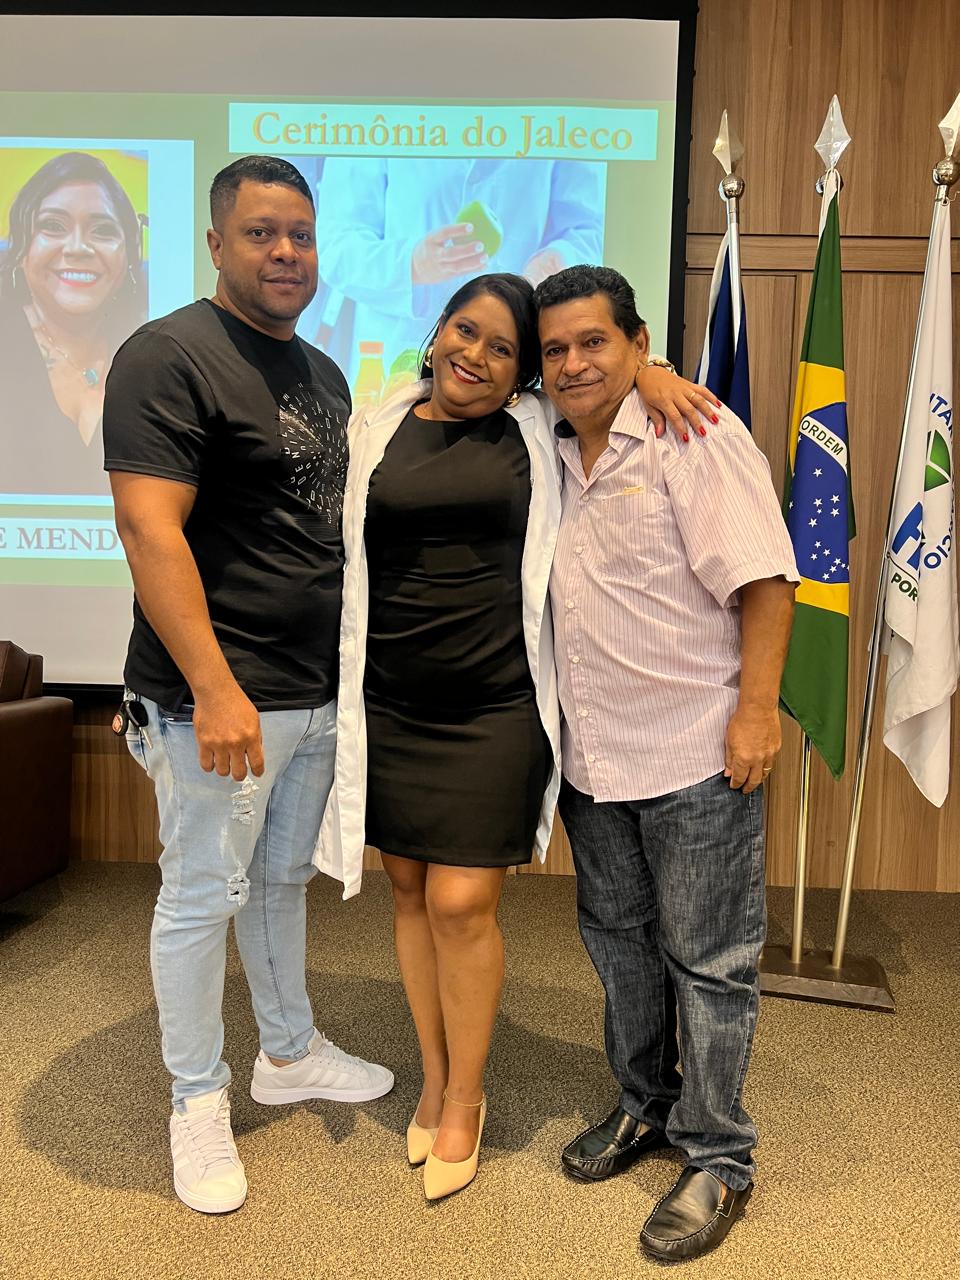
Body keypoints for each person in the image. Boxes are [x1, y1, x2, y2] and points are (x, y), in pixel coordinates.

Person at [315, 270, 719, 1202]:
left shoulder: (537, 427)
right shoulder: (378, 425)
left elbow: (608, 383)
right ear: (437, 332)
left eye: (504, 349)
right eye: (466, 331)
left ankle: (467, 1097)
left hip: (496, 708)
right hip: (392, 705)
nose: (478, 356)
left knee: (462, 902)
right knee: (409, 892)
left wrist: (654, 372)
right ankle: (432, 1075)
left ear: (521, 373)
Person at [102, 155, 393, 1217]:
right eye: (263, 233)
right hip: (215, 700)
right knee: (199, 898)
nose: (285, 253)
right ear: (217, 242)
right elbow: (150, 530)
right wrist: (215, 687)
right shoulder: (167, 354)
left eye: (301, 236)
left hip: (311, 694)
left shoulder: (322, 372)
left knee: (276, 885)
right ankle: (196, 1096)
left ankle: (288, 1051)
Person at [533, 265, 799, 1263]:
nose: (572, 364)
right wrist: (640, 376)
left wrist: (756, 714)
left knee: (711, 962)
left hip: (695, 754)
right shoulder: (544, 440)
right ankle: (645, 1104)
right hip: (593, 762)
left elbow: (766, 582)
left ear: (638, 341)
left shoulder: (696, 435)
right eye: (555, 349)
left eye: (594, 342)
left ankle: (720, 1155)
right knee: (622, 950)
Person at [310, 156, 604, 387]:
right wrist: (412, 264)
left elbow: (586, 227)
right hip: (398, 350)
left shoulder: (564, 112)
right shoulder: (374, 107)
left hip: (517, 347)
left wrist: (555, 262)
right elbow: (336, 244)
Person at [0, 151, 147, 494]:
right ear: (20, 248)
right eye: (53, 226)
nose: (78, 248)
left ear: (128, 254)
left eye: (103, 230)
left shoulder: (153, 350)